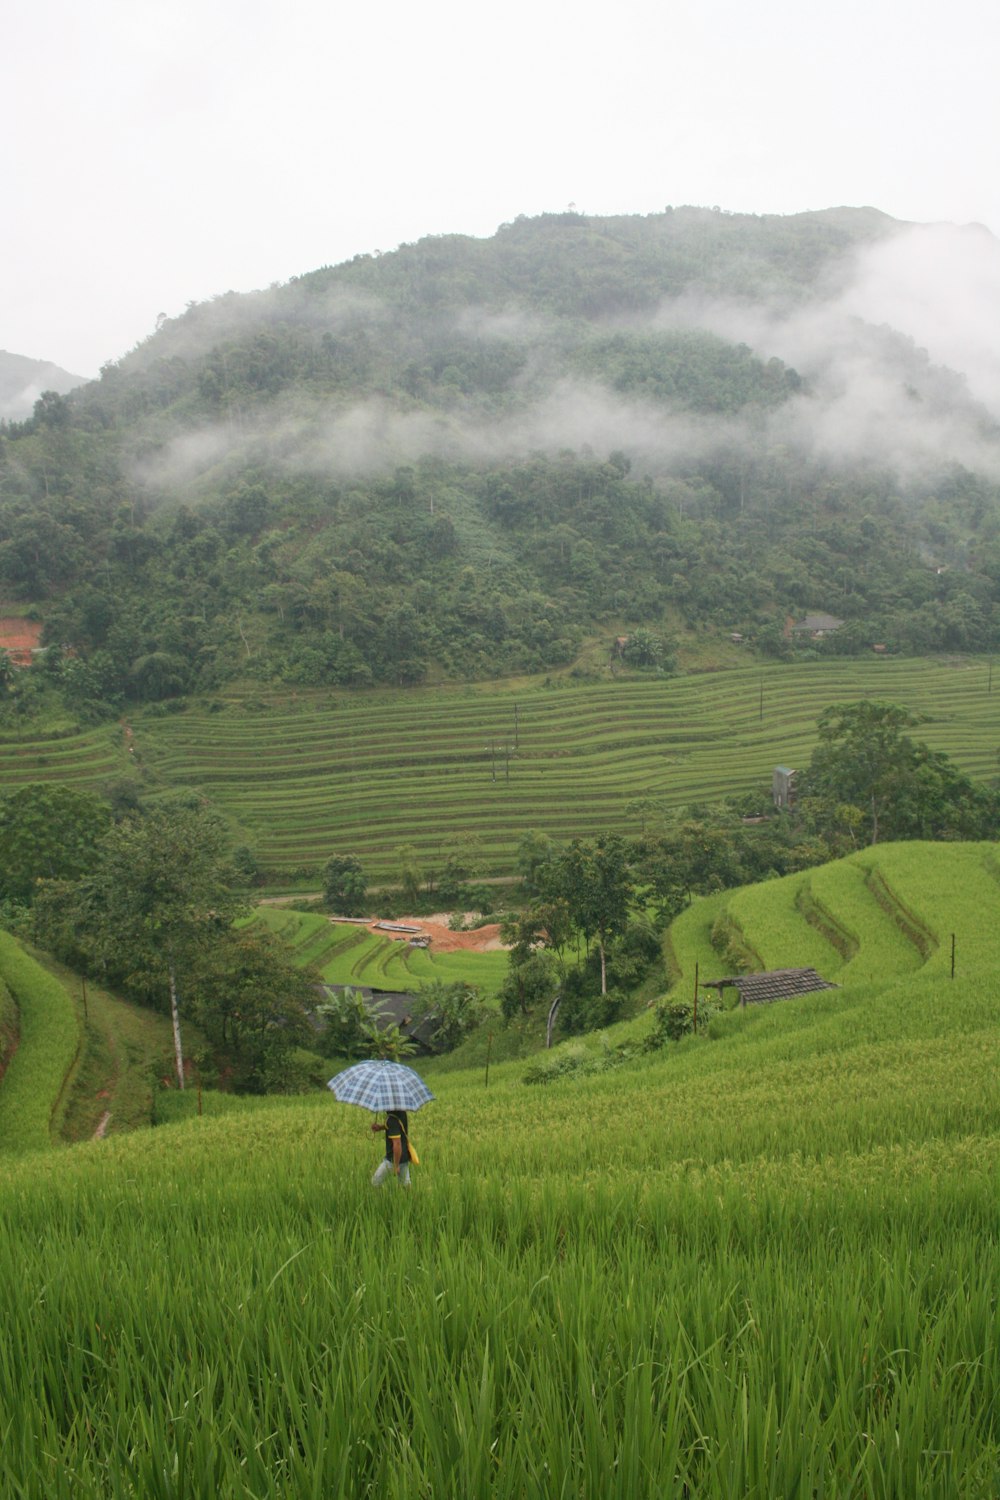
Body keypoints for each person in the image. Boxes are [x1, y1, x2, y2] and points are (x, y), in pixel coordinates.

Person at [371, 1109, 411, 1187]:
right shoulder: (402, 1113)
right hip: (404, 1157)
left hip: (392, 1160)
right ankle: (411, 1199)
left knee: (375, 1183)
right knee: (405, 1186)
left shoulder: (391, 1119)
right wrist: (380, 1127)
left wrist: (396, 1166)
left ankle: (380, 1199)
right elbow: (397, 1127)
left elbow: (397, 1143)